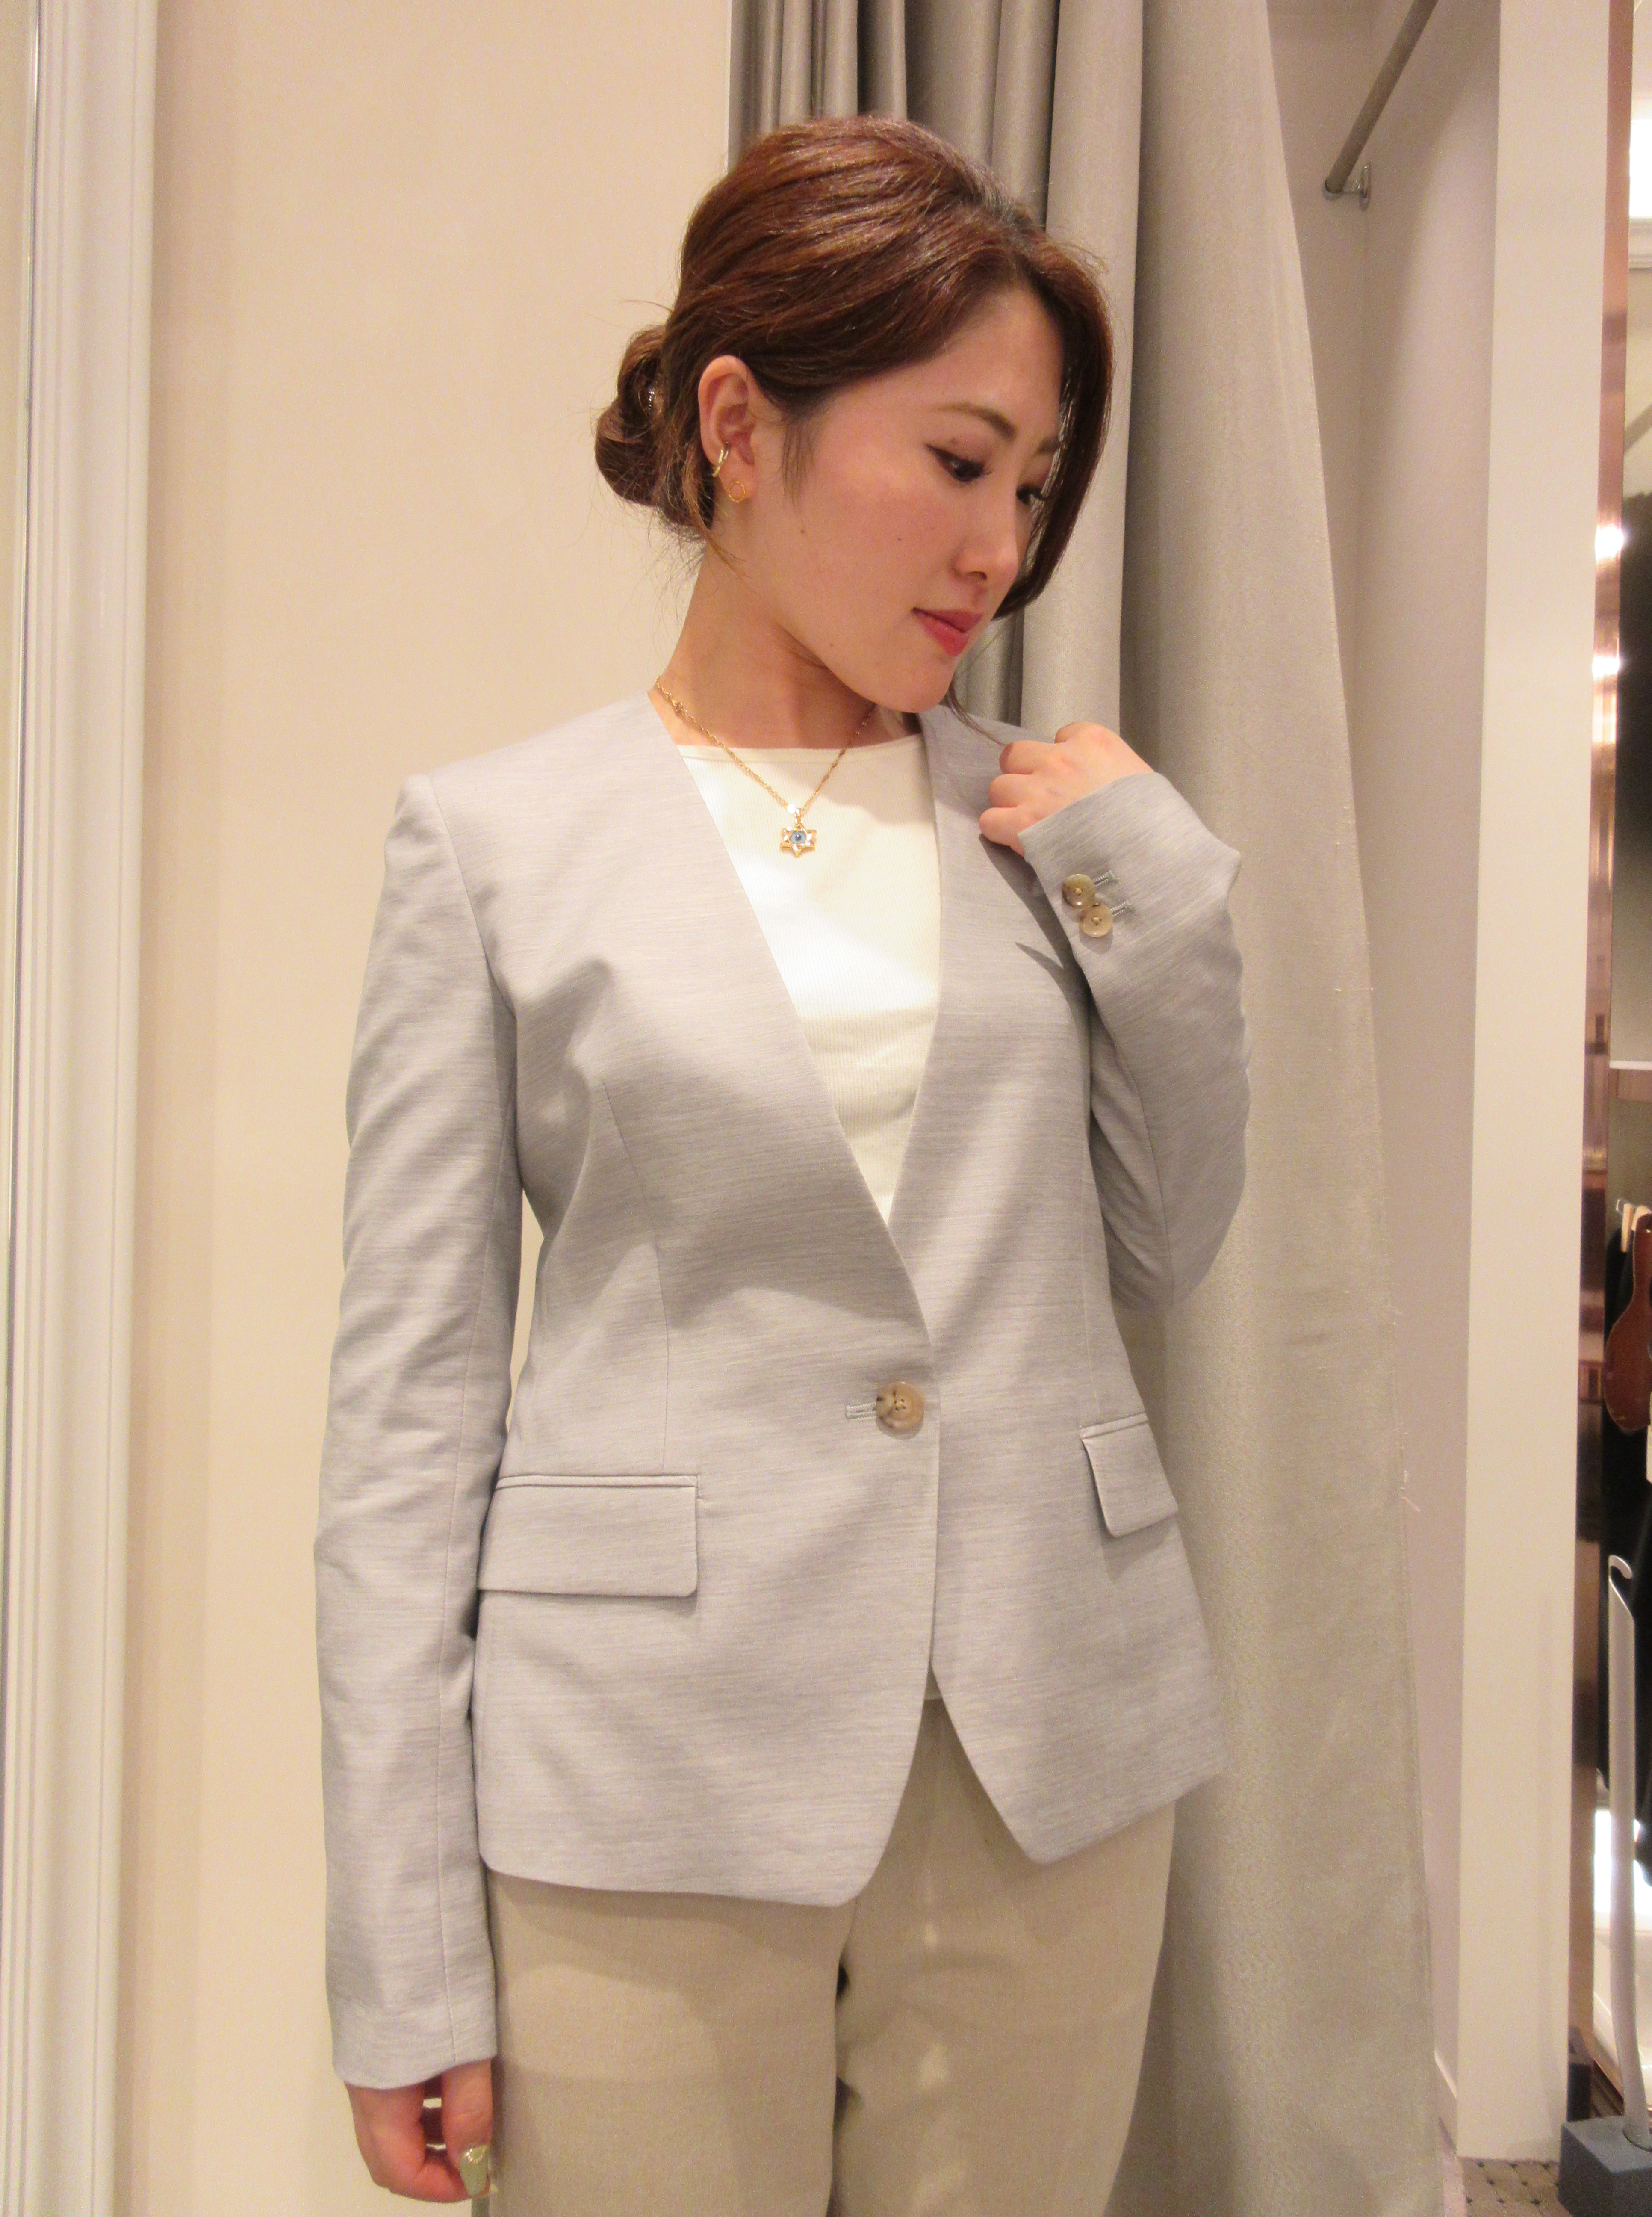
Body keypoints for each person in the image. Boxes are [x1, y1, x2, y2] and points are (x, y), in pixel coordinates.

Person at [315, 112, 1250, 2216]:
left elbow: (1166, 1241)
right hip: (643, 1777)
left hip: (1043, 1758)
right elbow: (407, 1426)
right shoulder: (494, 848)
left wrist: (1158, 888)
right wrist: (400, 1949)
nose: (999, 546)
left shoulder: (1053, 834)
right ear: (740, 426)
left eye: (1034, 487)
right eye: (960, 461)